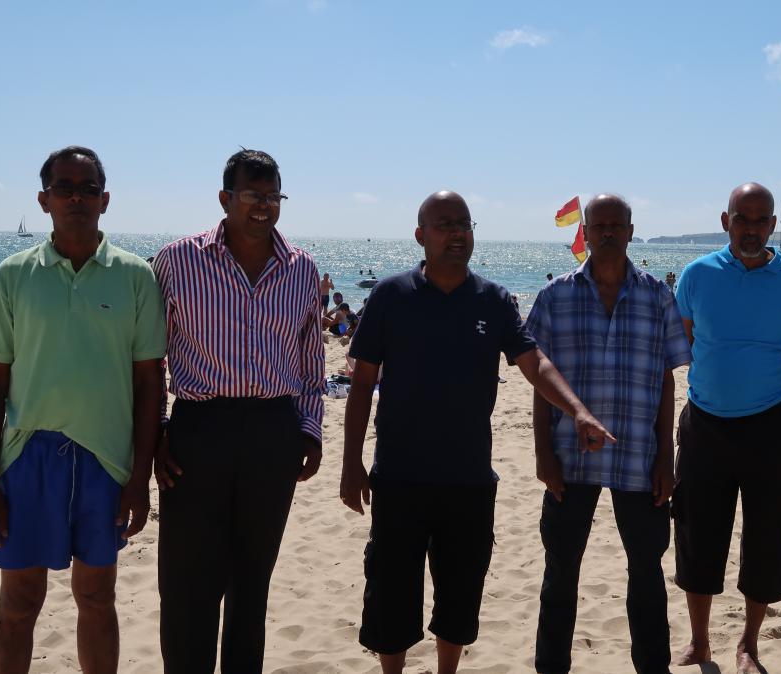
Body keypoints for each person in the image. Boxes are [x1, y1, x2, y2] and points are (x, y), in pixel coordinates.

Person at [339, 190, 614, 674]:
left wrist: (577, 411)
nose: (457, 233)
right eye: (444, 224)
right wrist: (350, 464)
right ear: (420, 235)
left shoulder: (493, 299)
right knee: (390, 592)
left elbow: (534, 362)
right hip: (399, 476)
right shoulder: (391, 296)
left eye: (464, 224)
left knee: (461, 593)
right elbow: (362, 384)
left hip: (468, 478)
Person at [0, 146, 165, 673]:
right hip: (27, 457)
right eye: (64, 188)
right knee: (18, 603)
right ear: (44, 200)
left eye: (88, 189)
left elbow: (150, 382)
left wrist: (139, 479)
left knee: (98, 598)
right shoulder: (13, 275)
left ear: (106, 200)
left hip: (106, 460)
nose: (76, 198)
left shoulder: (135, 276)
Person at [152, 149, 324, 672]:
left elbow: (311, 359)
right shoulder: (177, 261)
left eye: (273, 196)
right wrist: (157, 430)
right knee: (188, 583)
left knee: (252, 582)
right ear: (225, 198)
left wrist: (309, 430)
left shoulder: (302, 270)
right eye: (252, 195)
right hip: (198, 431)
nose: (264, 206)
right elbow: (148, 356)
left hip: (273, 432)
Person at [527, 194, 690, 674]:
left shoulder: (656, 296)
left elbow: (666, 379)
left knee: (646, 571)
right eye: (599, 226)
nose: (608, 233)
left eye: (617, 226)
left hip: (638, 455)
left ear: (631, 231)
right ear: (586, 231)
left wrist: (665, 457)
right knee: (561, 572)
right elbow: (539, 379)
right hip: (568, 455)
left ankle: (652, 668)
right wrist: (542, 453)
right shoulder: (554, 296)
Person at [674, 184, 781, 674]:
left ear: (772, 224)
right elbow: (689, 341)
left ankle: (749, 644)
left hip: (769, 427)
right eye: (742, 218)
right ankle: (699, 641)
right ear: (725, 221)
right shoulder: (696, 275)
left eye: (760, 220)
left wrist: (766, 394)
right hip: (704, 425)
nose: (751, 229)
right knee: (697, 534)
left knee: (767, 536)